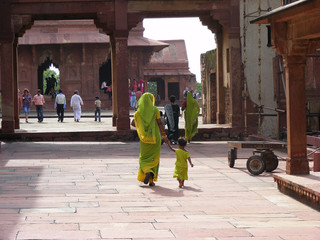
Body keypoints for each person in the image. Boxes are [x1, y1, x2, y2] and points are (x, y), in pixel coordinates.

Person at [131, 93, 170, 187]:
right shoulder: (155, 110)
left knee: (144, 157)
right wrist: (164, 136)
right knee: (154, 157)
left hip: (144, 139)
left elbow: (133, 123)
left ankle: (147, 170)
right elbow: (160, 124)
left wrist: (143, 127)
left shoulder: (138, 113)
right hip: (155, 137)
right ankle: (151, 181)